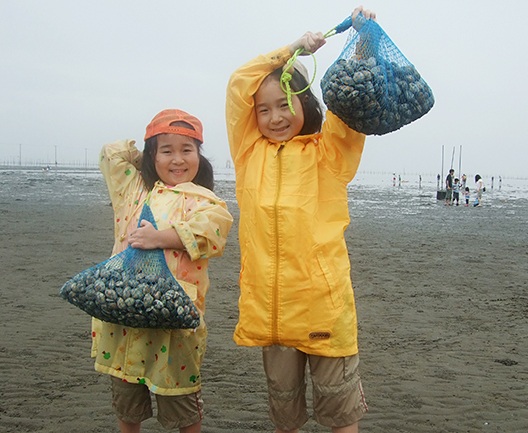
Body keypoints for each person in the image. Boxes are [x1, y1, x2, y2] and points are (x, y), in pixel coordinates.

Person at [225, 6, 376, 433]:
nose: (274, 118)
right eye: (264, 109)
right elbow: (240, 83)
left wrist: (362, 43)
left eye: (285, 104)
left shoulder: (329, 154)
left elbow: (352, 107)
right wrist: (291, 49)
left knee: (340, 414)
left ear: (304, 104)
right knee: (284, 415)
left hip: (323, 310)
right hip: (271, 315)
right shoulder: (247, 154)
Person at [93, 109, 233, 433]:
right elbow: (111, 153)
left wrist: (157, 238)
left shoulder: (207, 202)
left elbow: (211, 233)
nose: (177, 159)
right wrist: (146, 146)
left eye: (187, 149)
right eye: (166, 150)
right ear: (151, 157)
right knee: (128, 406)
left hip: (175, 325)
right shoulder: (134, 192)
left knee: (183, 404)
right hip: (124, 320)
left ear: (200, 155)